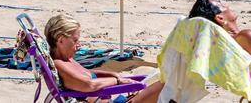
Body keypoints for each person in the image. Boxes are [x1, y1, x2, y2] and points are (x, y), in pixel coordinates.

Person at [21, 14, 164, 102]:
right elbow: (89, 85)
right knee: (164, 86)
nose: (79, 44)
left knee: (162, 83)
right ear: (60, 40)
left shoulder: (68, 60)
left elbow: (91, 75)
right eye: (75, 40)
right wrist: (118, 80)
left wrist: (115, 75)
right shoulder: (60, 64)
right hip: (107, 100)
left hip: (111, 99)